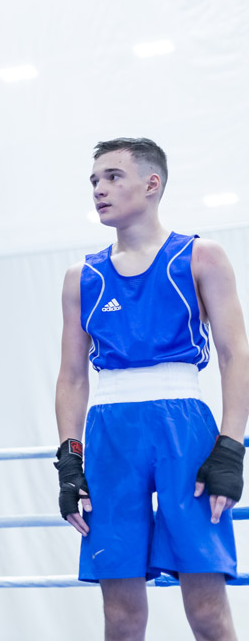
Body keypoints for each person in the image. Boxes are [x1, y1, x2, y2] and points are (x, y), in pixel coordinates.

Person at [55, 138, 249, 641]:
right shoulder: (82, 277)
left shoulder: (201, 256)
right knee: (121, 616)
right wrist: (69, 460)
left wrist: (231, 446)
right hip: (110, 433)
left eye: (113, 176)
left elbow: (235, 354)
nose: (99, 189)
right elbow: (72, 375)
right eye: (94, 180)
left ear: (151, 184)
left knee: (207, 609)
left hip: (184, 426)